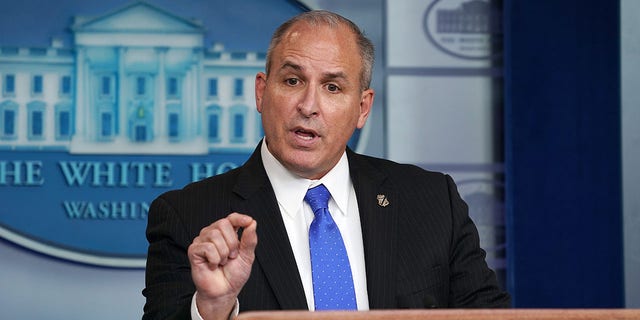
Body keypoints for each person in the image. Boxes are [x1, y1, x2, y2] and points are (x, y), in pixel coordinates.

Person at [142, 10, 510, 320]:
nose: (308, 105)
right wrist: (211, 308)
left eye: (333, 87)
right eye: (292, 80)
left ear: (362, 108)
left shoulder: (431, 201)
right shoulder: (188, 217)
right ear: (261, 91)